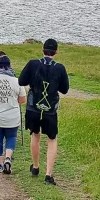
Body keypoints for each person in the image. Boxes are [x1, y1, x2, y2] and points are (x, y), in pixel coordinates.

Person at [19, 38, 69, 186]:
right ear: (56, 52)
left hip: (33, 107)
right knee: (52, 139)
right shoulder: (60, 68)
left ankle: (35, 167)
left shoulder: (33, 64)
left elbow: (21, 81)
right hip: (50, 110)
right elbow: (65, 90)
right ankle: (48, 175)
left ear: (43, 50)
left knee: (35, 135)